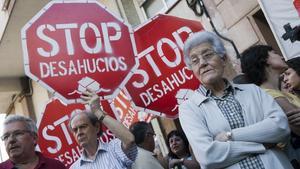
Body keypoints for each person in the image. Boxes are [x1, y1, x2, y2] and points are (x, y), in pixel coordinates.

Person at [179, 31, 293, 169]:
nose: (202, 63)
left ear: (224, 59)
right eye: (195, 61)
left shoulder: (253, 90)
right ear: (193, 70)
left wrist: (230, 136)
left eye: (208, 55)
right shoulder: (189, 109)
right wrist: (263, 144)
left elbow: (280, 127)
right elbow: (208, 156)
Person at [69, 89, 137, 169]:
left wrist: (98, 111)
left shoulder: (114, 148)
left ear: (97, 127)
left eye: (83, 126)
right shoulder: (74, 168)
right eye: (75, 130)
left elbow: (129, 139)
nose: (79, 132)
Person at [240, 45, 300, 135]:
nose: (282, 57)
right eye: (275, 53)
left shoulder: (281, 93)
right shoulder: (269, 96)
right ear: (264, 59)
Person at [0, 115, 66, 169]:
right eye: (6, 137)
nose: (11, 140)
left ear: (34, 138)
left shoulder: (56, 166)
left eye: (18, 133)